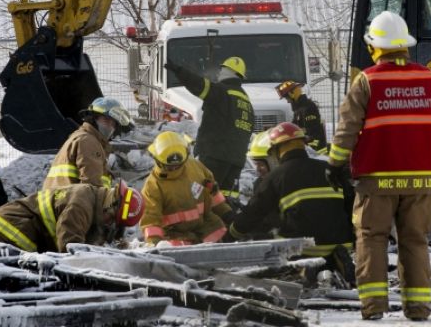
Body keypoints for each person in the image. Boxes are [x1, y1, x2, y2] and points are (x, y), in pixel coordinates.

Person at [326, 10, 431, 321]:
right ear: (405, 46)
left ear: (376, 48)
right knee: (415, 240)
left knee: (372, 239)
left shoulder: (367, 81)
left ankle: (374, 309)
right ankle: (419, 308)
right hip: (422, 180)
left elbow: (347, 128)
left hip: (377, 180)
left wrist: (334, 164)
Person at [229, 122, 355, 283]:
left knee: (268, 235)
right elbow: (351, 205)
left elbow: (253, 214)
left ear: (277, 150)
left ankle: (302, 267)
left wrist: (231, 233)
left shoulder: (276, 176)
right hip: (341, 243)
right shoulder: (328, 168)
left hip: (304, 248)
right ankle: (330, 264)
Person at [165, 57, 254, 198]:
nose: (219, 73)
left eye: (222, 69)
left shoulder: (221, 91)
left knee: (200, 196)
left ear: (229, 72)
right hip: (236, 161)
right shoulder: (246, 101)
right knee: (227, 199)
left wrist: (179, 70)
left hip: (214, 155)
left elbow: (198, 84)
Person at [0, 180, 144, 253]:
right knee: (30, 273)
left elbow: (91, 236)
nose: (110, 224)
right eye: (112, 220)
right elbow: (70, 247)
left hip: (6, 225)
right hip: (7, 227)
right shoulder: (81, 206)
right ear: (111, 204)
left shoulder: (96, 199)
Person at [140, 131, 232, 246]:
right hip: (175, 236)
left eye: (177, 165)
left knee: (227, 244)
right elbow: (150, 221)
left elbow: (213, 193)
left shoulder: (196, 168)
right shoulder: (152, 186)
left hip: (206, 227)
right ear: (157, 159)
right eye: (169, 166)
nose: (174, 169)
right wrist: (155, 243)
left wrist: (227, 214)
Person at [42, 97, 132, 190]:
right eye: (106, 120)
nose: (110, 127)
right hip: (69, 202)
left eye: (113, 124)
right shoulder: (88, 141)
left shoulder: (84, 137)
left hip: (63, 199)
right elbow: (91, 187)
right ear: (93, 118)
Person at [275, 80, 327, 153]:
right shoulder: (299, 110)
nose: (287, 101)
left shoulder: (308, 108)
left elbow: (313, 134)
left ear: (292, 94)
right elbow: (293, 127)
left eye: (287, 98)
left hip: (316, 151)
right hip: (308, 148)